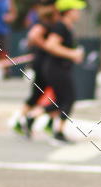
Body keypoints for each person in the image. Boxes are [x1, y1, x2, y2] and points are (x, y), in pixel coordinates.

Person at [13, 0, 58, 137]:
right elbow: (32, 36)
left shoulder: (48, 22)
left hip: (44, 63)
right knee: (55, 94)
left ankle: (28, 121)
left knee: (42, 94)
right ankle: (28, 120)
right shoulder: (45, 23)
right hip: (44, 64)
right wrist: (47, 46)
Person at [42, 0, 84, 142]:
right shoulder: (60, 26)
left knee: (60, 101)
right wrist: (72, 54)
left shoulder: (67, 26)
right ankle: (58, 132)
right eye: (76, 10)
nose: (79, 13)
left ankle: (31, 117)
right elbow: (51, 45)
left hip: (61, 68)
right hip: (56, 68)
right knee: (69, 98)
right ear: (68, 11)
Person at [0, 0, 16, 74]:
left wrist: (9, 17)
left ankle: (6, 72)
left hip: (4, 32)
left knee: (4, 52)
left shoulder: (9, 1)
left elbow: (13, 14)